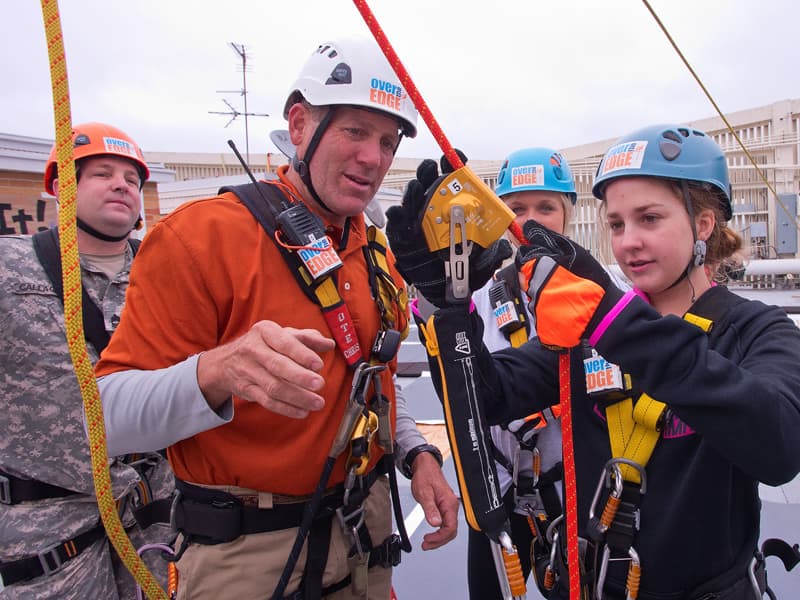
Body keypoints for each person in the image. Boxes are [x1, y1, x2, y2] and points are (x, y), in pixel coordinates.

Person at [93, 36, 459, 600]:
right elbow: (106, 419)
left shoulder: (373, 250)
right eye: (355, 131)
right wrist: (216, 372)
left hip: (365, 539)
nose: (373, 157)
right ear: (298, 125)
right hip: (249, 556)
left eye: (387, 141)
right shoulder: (201, 237)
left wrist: (417, 453)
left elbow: (371, 376)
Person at [387, 123, 800, 599]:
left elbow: (780, 445)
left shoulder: (755, 331)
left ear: (703, 224)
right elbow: (487, 395)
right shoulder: (586, 337)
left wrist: (612, 323)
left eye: (649, 219)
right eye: (617, 224)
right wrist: (448, 309)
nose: (627, 243)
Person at [0, 122, 174, 599]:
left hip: (157, 519)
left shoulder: (166, 272)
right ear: (61, 187)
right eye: (102, 173)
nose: (122, 184)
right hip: (48, 528)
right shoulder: (9, 268)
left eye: (132, 179)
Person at [467, 147, 575, 599]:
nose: (530, 222)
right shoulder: (479, 299)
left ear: (568, 214)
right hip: (500, 491)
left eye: (545, 208)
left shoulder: (607, 296)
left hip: (573, 494)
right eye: (517, 209)